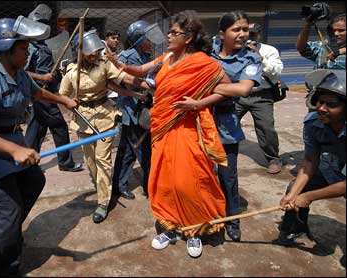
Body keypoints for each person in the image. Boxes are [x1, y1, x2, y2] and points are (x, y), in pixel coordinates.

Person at [107, 10, 231, 258]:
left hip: (187, 130)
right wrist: (118, 64)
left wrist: (200, 103)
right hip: (163, 128)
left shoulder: (203, 63)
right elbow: (141, 70)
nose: (168, 35)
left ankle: (193, 231)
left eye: (174, 32)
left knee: (190, 182)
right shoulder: (166, 58)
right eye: (170, 30)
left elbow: (227, 87)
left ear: (189, 37)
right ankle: (170, 227)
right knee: (165, 181)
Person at [0, 16, 78, 276]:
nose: (29, 52)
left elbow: (38, 93)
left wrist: (63, 100)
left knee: (35, 181)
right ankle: (2, 269)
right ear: (6, 50)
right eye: (23, 48)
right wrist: (14, 150)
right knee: (9, 213)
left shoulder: (20, 74)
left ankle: (8, 230)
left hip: (14, 141)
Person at [173, 11, 262, 243]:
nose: (243, 34)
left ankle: (232, 220)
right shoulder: (206, 50)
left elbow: (243, 90)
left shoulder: (250, 59)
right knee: (198, 176)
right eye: (236, 29)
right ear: (222, 34)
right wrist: (223, 86)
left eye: (245, 29)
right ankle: (201, 217)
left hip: (225, 126)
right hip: (195, 123)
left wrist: (206, 88)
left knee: (227, 177)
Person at [58, 29, 150, 224]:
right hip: (83, 120)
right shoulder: (72, 72)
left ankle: (103, 202)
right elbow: (62, 96)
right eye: (89, 51)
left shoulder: (104, 64)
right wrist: (69, 103)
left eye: (95, 51)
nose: (94, 54)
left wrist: (146, 85)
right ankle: (101, 184)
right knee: (91, 162)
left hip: (105, 116)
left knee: (103, 160)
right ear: (80, 51)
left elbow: (125, 79)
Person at [277, 69, 346, 246]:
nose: (322, 108)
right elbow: (309, 161)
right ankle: (293, 229)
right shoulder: (313, 122)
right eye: (320, 102)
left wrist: (308, 197)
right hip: (334, 167)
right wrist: (293, 195)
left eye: (331, 104)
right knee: (296, 187)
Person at [24, 3, 83, 172]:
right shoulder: (30, 47)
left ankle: (27, 162)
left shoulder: (42, 44)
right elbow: (22, 72)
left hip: (46, 92)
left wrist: (55, 70)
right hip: (41, 91)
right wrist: (42, 76)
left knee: (37, 128)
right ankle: (65, 162)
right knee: (59, 127)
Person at [112, 20, 163, 200]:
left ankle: (119, 184)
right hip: (131, 110)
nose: (151, 42)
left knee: (128, 150)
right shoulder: (125, 57)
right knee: (143, 151)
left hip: (144, 109)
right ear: (139, 40)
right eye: (147, 39)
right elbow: (117, 80)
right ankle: (149, 186)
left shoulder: (148, 57)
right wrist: (141, 89)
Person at [236, 23, 284, 174]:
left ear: (259, 35)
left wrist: (259, 56)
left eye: (252, 34)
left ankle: (273, 158)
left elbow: (276, 72)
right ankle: (217, 156)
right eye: (246, 34)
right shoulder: (236, 49)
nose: (248, 38)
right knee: (225, 123)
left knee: (266, 128)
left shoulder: (269, 50)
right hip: (238, 95)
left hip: (262, 96)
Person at [297, 13, 345, 110]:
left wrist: (340, 51)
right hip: (320, 103)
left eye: (341, 31)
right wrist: (308, 24)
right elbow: (301, 48)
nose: (336, 34)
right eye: (334, 30)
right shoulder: (323, 46)